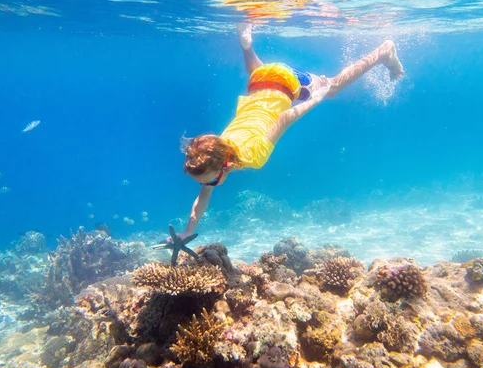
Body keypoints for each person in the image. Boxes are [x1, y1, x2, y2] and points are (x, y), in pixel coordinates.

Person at [171, 23, 404, 242]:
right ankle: (246, 43)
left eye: (207, 179)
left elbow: (284, 118)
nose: (207, 184)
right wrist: (187, 231)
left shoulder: (254, 155)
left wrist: (316, 98)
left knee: (332, 88)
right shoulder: (218, 147)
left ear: (222, 165)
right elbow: (203, 197)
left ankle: (382, 53)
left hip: (284, 81)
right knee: (258, 72)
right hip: (258, 81)